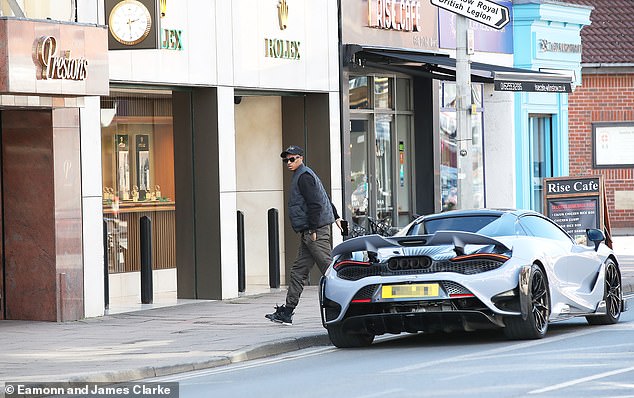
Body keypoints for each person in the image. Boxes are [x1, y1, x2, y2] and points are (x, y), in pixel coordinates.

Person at [266, 145, 342, 325]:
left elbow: (316, 203)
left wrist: (315, 229)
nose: (289, 163)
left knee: (330, 270)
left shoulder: (304, 176)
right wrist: (336, 217)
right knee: (298, 271)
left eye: (292, 159)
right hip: (309, 232)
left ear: (300, 158)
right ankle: (287, 312)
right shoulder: (304, 175)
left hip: (314, 231)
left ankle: (347, 305)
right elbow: (323, 197)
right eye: (286, 160)